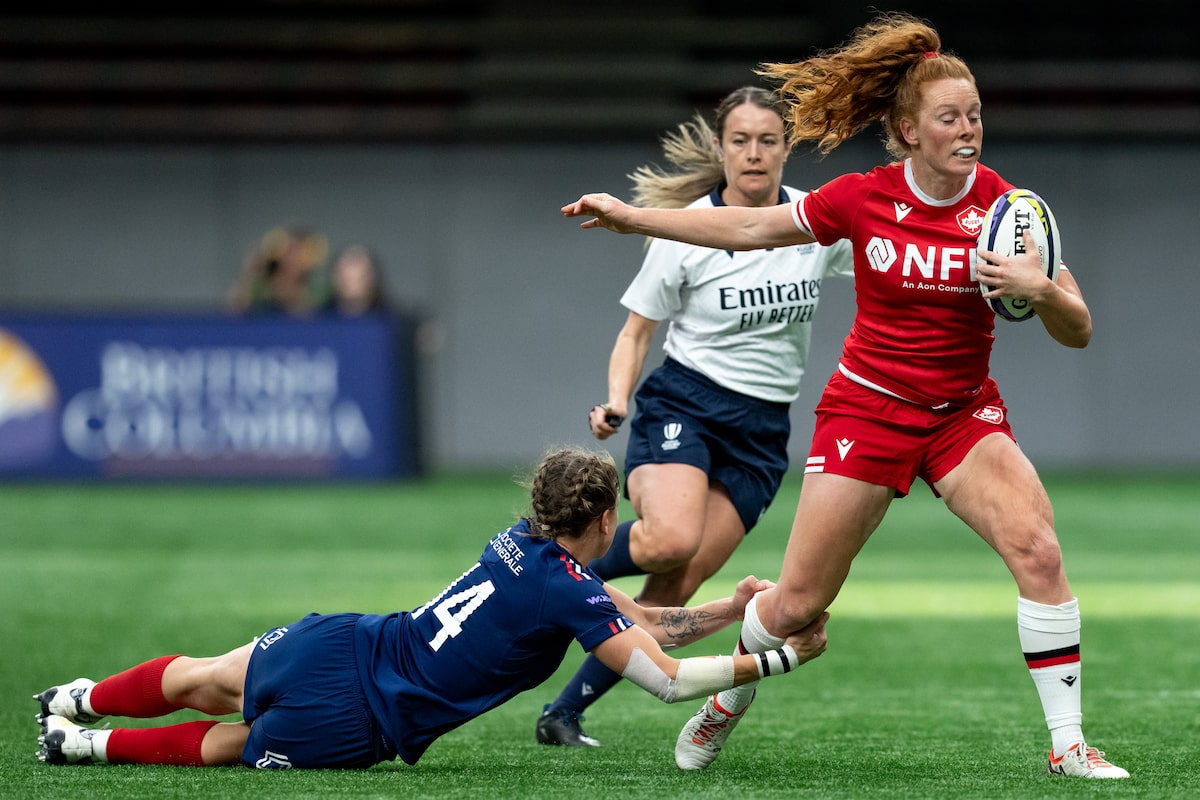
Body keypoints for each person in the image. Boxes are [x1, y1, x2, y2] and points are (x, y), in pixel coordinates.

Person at [559, 12, 1127, 780]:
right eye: (950, 119)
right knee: (795, 606)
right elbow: (752, 228)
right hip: (867, 411)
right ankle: (726, 700)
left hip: (962, 414)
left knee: (1039, 549)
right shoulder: (861, 199)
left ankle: (1068, 748)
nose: (969, 131)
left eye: (976, 116)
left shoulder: (1005, 210)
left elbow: (1080, 329)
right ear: (907, 129)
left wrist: (1041, 290)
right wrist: (630, 219)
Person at [34, 447, 828, 770]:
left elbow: (639, 620)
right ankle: (82, 751)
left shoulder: (521, 544)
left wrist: (730, 605)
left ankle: (75, 699)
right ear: (601, 524)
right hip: (369, 717)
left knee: (204, 676)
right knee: (223, 743)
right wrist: (780, 656)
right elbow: (664, 680)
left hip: (350, 642)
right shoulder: (565, 586)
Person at [535, 87, 853, 748]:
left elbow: (886, 249)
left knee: (675, 585)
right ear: (719, 148)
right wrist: (618, 399)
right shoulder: (685, 229)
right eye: (740, 140)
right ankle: (543, 572)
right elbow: (635, 333)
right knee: (670, 538)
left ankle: (562, 714)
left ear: (787, 149)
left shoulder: (813, 221)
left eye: (769, 140)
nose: (755, 153)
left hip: (762, 432)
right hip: (686, 403)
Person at [226, 225, 329, 316]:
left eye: (299, 252)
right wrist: (250, 274)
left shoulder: (318, 288)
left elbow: (307, 312)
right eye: (289, 251)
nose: (293, 258)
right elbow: (234, 310)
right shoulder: (260, 286)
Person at [322, 243, 391, 316]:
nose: (352, 286)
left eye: (360, 278)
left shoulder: (392, 321)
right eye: (346, 278)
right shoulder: (317, 320)